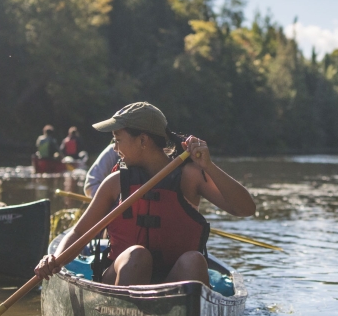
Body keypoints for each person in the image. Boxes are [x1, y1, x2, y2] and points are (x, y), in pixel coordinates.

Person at [35, 102, 255, 287]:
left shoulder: (190, 177)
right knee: (137, 256)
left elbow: (246, 209)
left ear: (142, 141)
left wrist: (209, 166)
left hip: (173, 284)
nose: (114, 148)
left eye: (117, 139)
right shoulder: (115, 182)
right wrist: (55, 259)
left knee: (194, 261)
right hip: (123, 277)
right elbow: (78, 232)